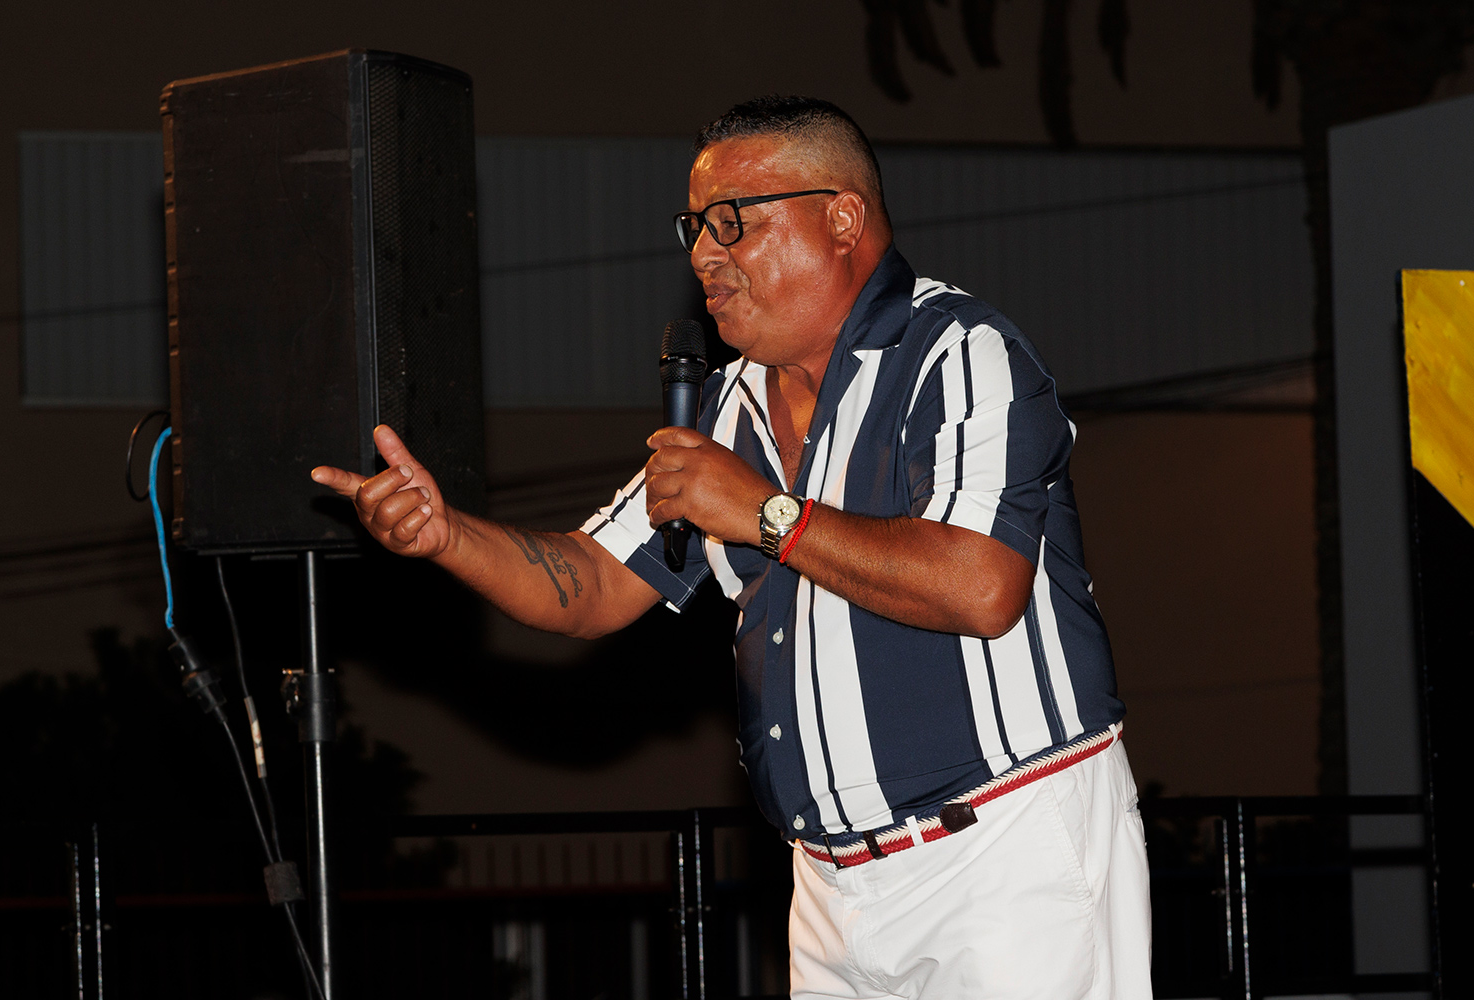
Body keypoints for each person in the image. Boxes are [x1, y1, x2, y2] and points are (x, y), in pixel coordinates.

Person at [312, 95, 1151, 999]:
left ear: (841, 220)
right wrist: (447, 535)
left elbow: (981, 585)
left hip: (1003, 856)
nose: (703, 255)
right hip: (830, 887)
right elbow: (591, 585)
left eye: (733, 222)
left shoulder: (958, 352)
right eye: (696, 228)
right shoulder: (729, 408)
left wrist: (765, 513)